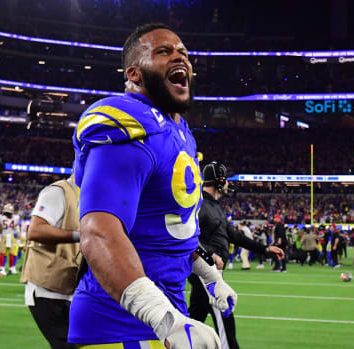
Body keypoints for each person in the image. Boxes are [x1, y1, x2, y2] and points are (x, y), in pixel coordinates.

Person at [69, 23, 222, 348]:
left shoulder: (181, 133)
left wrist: (210, 276)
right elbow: (98, 231)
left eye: (183, 52)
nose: (179, 57)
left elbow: (173, 230)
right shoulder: (130, 123)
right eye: (164, 52)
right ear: (134, 73)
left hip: (166, 314)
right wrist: (160, 315)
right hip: (120, 324)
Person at [189, 161, 284, 349]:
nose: (228, 185)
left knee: (194, 322)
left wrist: (264, 249)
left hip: (210, 271)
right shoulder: (199, 205)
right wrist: (210, 254)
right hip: (206, 271)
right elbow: (188, 235)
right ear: (219, 181)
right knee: (224, 314)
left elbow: (234, 236)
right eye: (226, 180)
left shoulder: (215, 207)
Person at [20, 176, 81, 349]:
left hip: (71, 287)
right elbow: (36, 230)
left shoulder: (89, 195)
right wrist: (80, 235)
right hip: (48, 289)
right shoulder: (58, 192)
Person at [0, 203, 20, 275]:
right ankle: (11, 268)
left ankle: (2, 268)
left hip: (4, 236)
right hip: (11, 236)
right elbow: (16, 228)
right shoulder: (15, 218)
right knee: (12, 253)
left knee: (2, 253)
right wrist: (18, 237)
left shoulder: (1, 218)